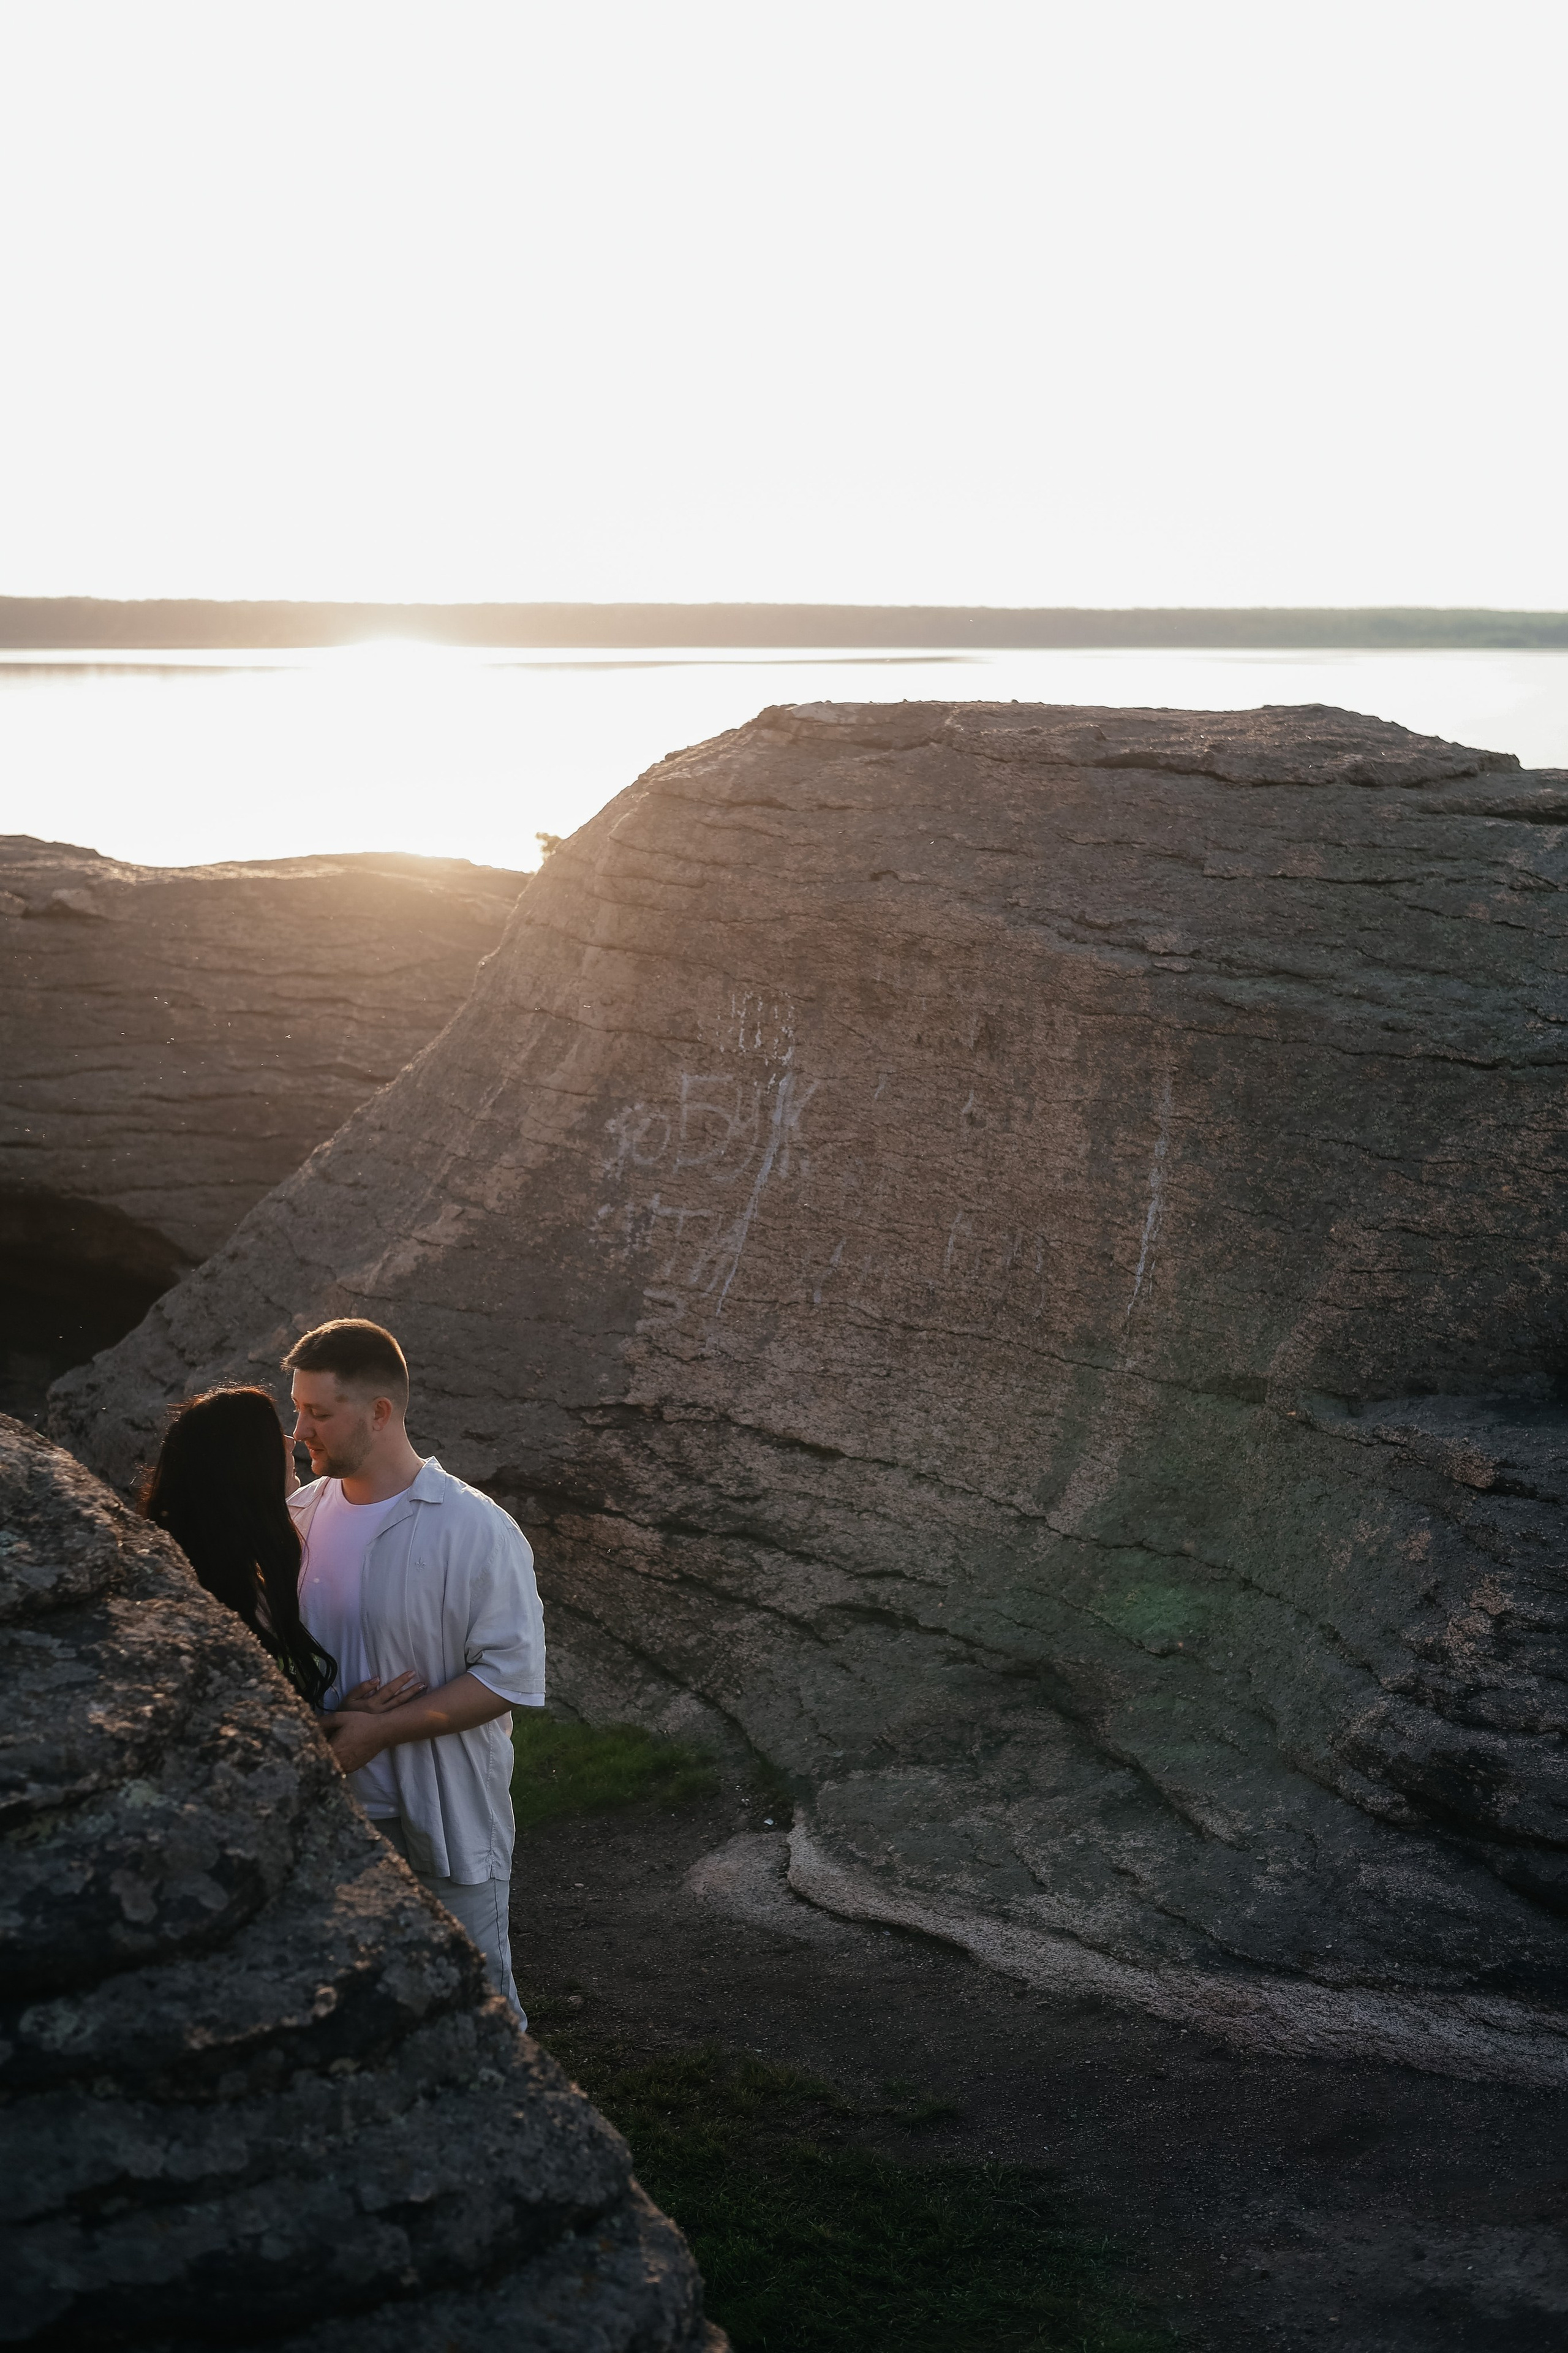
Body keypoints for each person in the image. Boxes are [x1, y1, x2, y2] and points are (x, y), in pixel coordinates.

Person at [285, 1316, 545, 2022]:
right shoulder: (297, 1517)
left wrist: (382, 1729)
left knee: (481, 2010)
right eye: (298, 1409)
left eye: (318, 1413)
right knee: (355, 2013)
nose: (300, 1430)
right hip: (331, 1816)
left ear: (379, 1412)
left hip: (445, 1818)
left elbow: (509, 1677)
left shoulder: (474, 1527)